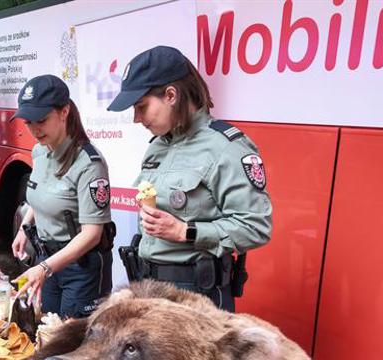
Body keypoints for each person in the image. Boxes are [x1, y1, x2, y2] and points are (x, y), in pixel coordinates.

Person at [107, 46, 272, 312]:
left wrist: (186, 231)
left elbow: (256, 226)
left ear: (171, 95)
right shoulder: (157, 146)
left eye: (141, 107)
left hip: (195, 298)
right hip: (149, 287)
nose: (136, 118)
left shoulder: (226, 147)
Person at [11, 75, 114, 318]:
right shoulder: (39, 152)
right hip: (47, 259)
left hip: (81, 267)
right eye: (28, 122)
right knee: (48, 331)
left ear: (64, 111)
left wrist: (44, 268)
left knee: (76, 344)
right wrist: (24, 229)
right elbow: (40, 197)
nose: (35, 130)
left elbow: (92, 234)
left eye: (42, 120)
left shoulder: (89, 163)